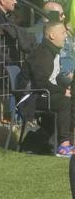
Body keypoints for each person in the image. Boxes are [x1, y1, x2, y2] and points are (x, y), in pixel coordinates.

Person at [28, 21, 75, 156]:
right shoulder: (42, 54)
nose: (66, 36)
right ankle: (64, 145)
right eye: (63, 33)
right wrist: (62, 91)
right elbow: (40, 82)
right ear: (52, 35)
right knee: (65, 102)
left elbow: (55, 78)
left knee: (71, 97)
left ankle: (70, 141)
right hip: (35, 96)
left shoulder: (53, 51)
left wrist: (69, 85)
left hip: (47, 94)